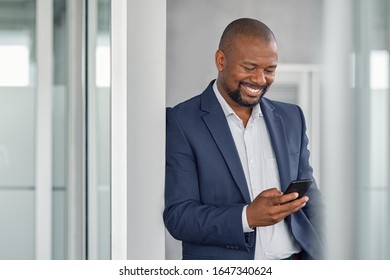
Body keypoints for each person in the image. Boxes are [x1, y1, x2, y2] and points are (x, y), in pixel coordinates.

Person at [163, 18, 325, 260]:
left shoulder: (292, 117)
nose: (260, 80)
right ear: (220, 60)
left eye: (269, 70)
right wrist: (247, 216)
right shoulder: (182, 121)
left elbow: (310, 196)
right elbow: (179, 217)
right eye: (250, 68)